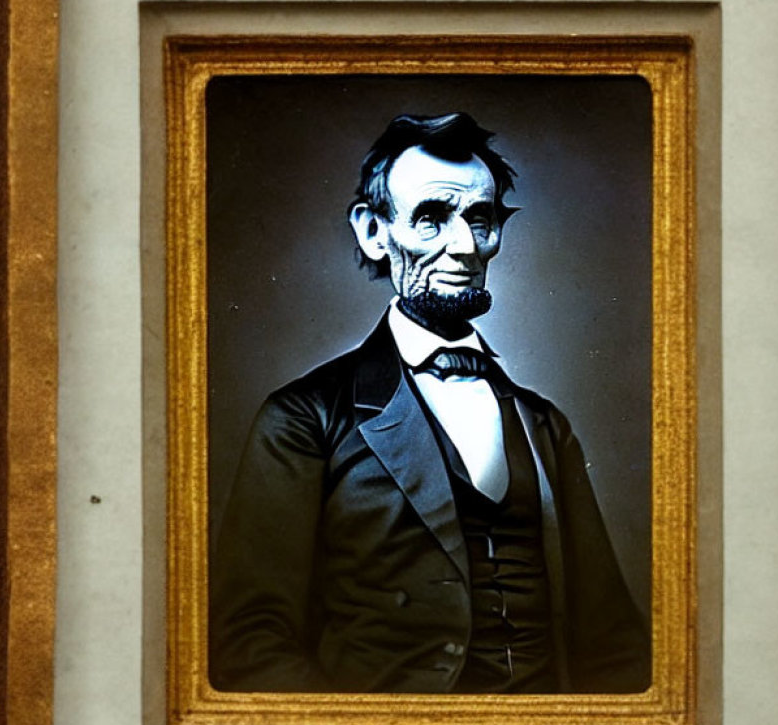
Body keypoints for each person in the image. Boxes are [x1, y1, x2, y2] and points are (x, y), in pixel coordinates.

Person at [209, 112, 650, 694]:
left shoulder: (544, 425)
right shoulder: (303, 418)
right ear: (373, 232)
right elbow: (251, 644)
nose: (464, 246)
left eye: (481, 219)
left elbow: (612, 641)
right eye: (431, 219)